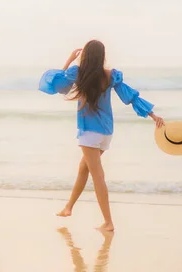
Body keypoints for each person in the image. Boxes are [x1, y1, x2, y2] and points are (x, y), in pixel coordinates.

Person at [39, 40, 165, 231]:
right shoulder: (110, 76)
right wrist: (153, 115)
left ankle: (108, 222)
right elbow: (131, 97)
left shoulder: (77, 73)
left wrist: (69, 60)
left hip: (89, 132)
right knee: (84, 169)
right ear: (102, 56)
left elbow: (56, 84)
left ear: (85, 55)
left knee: (98, 177)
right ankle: (68, 207)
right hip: (106, 132)